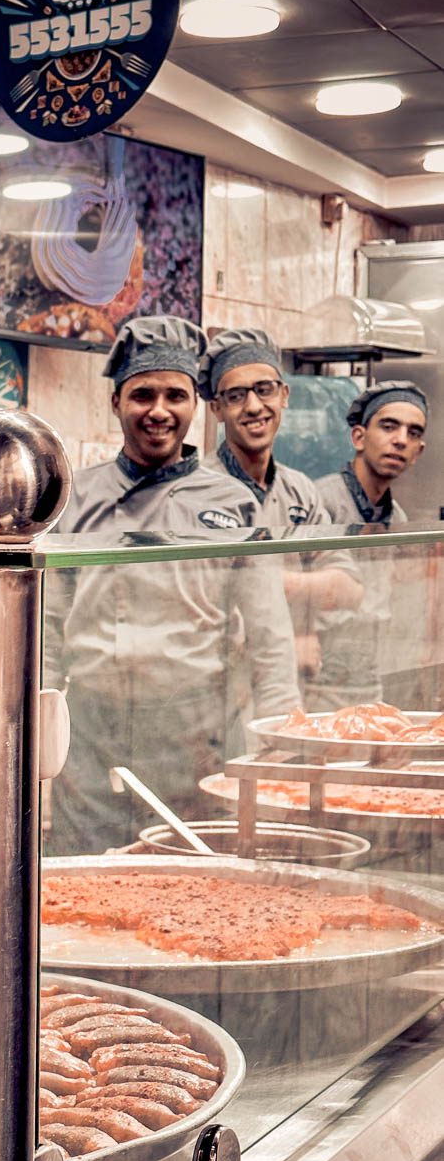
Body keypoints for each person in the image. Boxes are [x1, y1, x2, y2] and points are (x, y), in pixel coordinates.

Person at [44, 316, 300, 856]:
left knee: (185, 880)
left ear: (195, 405)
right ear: (116, 403)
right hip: (90, 732)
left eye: (174, 396)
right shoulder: (78, 498)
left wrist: (282, 746)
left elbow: (271, 638)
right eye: (142, 395)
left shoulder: (232, 501)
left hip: (194, 737)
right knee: (79, 884)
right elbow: (45, 630)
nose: (158, 411)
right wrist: (30, 728)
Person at [198, 327, 363, 681]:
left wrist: (264, 586)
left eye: (264, 389)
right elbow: (202, 607)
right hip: (217, 687)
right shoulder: (195, 491)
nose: (254, 406)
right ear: (216, 409)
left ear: (284, 394)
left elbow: (349, 588)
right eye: (237, 395)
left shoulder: (300, 491)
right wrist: (294, 621)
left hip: (291, 681)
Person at [305, 380, 427, 710]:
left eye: (413, 433)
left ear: (419, 451)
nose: (401, 440)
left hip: (366, 680)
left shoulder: (397, 517)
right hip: (312, 682)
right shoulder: (319, 501)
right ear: (358, 437)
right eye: (389, 426)